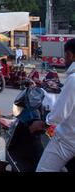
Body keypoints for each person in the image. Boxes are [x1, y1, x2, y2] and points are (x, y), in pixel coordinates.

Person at [30, 38, 75, 172]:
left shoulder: (73, 79)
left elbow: (60, 114)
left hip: (67, 141)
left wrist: (43, 123)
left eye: (65, 56)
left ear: (70, 55)